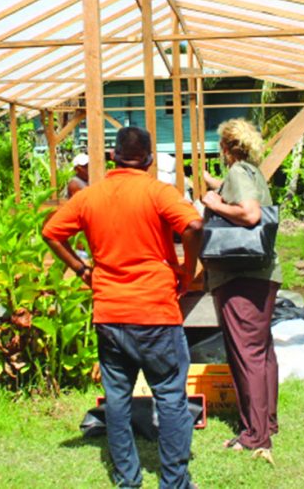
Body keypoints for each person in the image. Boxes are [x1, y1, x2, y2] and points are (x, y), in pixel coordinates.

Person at [43, 127, 203, 489]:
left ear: (112, 157)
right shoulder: (158, 191)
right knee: (170, 397)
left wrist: (82, 268)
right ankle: (175, 481)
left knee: (117, 401)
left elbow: (52, 232)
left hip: (110, 313)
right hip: (156, 312)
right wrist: (187, 271)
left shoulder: (89, 196)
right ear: (148, 161)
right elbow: (193, 225)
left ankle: (128, 480)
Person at [201, 118, 280, 465]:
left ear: (227, 148)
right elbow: (246, 196)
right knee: (262, 353)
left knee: (245, 355)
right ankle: (267, 423)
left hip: (241, 276)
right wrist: (215, 185)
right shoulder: (252, 172)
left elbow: (248, 214)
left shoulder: (237, 173)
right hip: (263, 273)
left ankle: (254, 436)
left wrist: (213, 204)